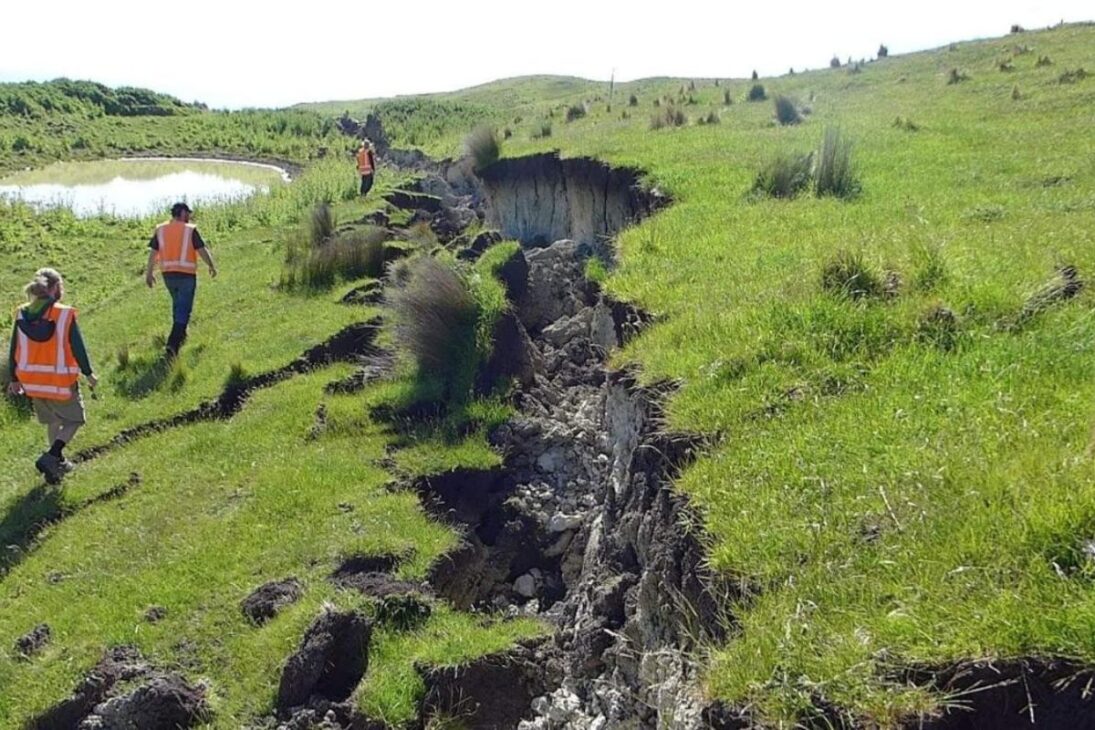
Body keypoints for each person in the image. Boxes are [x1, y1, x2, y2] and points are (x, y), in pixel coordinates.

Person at [6, 268, 97, 484]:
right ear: (55, 288)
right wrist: (88, 373)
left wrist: (14, 378)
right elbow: (78, 347)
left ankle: (56, 465)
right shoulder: (63, 314)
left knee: (53, 421)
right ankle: (53, 455)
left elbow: (14, 348)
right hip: (60, 382)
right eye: (61, 286)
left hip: (33, 382)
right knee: (75, 420)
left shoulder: (21, 314)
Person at [145, 202, 217, 357]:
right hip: (186, 275)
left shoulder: (161, 229)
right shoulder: (190, 230)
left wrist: (149, 273)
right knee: (184, 309)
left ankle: (182, 336)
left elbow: (153, 253)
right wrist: (211, 265)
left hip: (168, 275)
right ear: (182, 213)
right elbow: (201, 250)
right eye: (188, 213)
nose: (189, 216)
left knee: (178, 306)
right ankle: (172, 344)